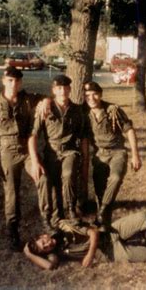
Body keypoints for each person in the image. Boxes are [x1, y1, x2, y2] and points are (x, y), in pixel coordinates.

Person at [0, 66, 47, 252]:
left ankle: (48, 221)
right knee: (11, 193)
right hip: (8, 152)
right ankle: (13, 231)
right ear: (3, 81)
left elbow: (47, 98)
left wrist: (45, 104)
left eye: (17, 81)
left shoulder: (27, 99)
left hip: (27, 150)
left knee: (43, 178)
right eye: (10, 80)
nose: (13, 84)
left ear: (21, 83)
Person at [28, 75, 88, 230]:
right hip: (51, 152)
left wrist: (85, 162)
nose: (63, 92)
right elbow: (33, 136)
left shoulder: (77, 110)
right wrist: (35, 161)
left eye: (66, 88)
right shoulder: (45, 108)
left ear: (70, 89)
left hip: (69, 151)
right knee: (48, 183)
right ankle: (46, 217)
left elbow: (82, 138)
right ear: (53, 90)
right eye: (59, 88)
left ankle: (71, 209)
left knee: (68, 175)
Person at [83, 81, 142, 227]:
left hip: (117, 152)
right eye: (88, 95)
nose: (92, 98)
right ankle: (104, 227)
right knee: (100, 192)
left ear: (101, 94)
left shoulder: (112, 110)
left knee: (115, 178)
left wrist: (135, 155)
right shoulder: (83, 113)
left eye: (95, 94)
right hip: (99, 155)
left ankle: (102, 213)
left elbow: (129, 130)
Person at [23, 211, 146, 269]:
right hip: (110, 251)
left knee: (144, 217)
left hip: (108, 232)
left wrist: (89, 255)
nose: (48, 244)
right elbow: (49, 266)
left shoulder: (63, 227)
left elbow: (93, 232)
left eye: (44, 242)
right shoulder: (55, 253)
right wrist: (29, 254)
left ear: (43, 235)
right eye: (45, 248)